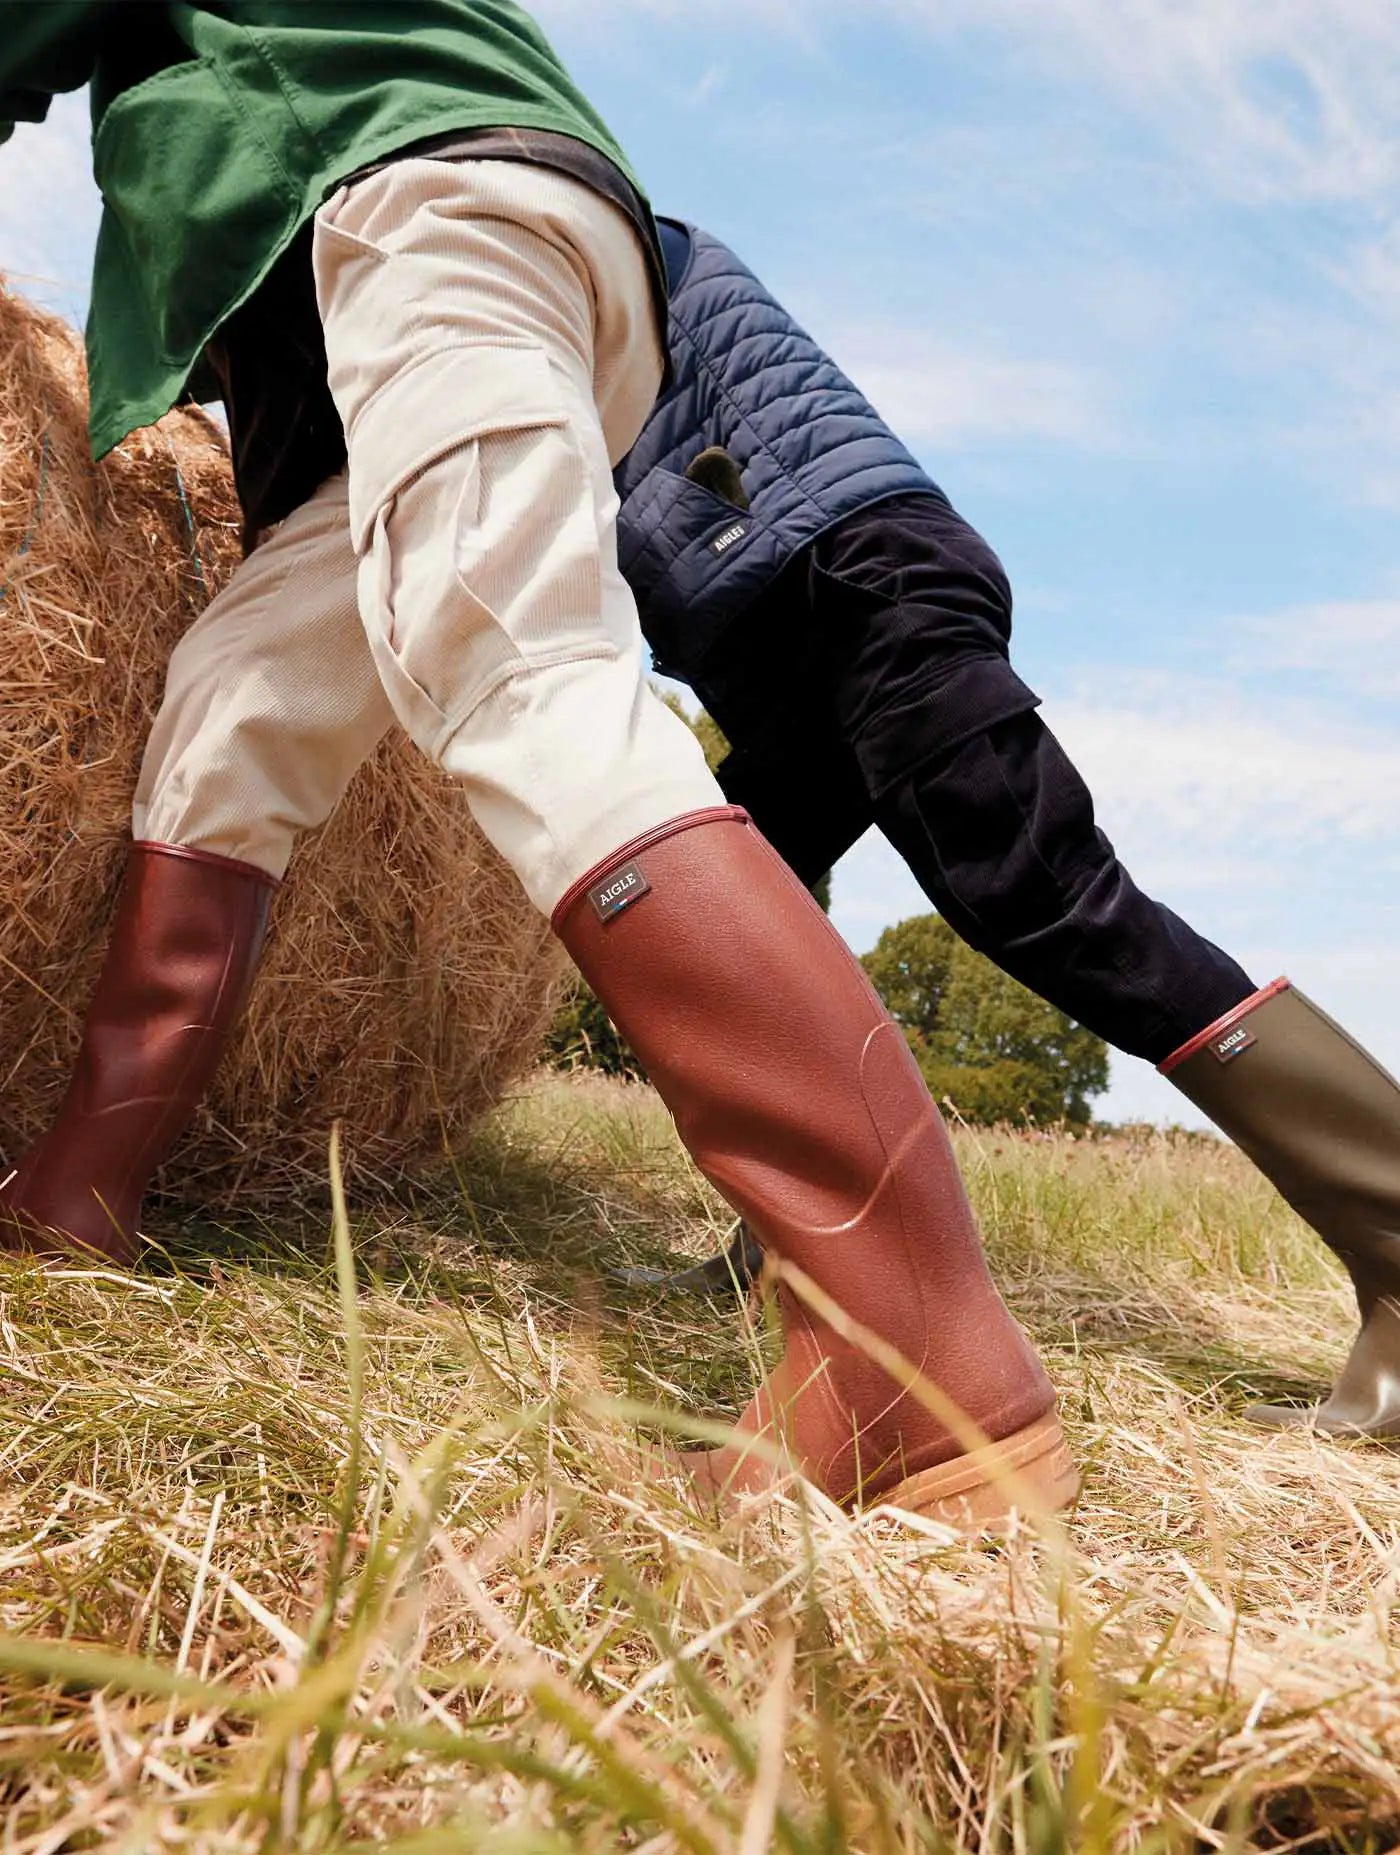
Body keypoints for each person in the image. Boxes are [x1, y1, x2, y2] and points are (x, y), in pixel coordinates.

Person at [0, 4, 1077, 1523]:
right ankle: (77, 1199)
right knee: (226, 728)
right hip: (466, 265)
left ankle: (914, 1355)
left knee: (519, 673)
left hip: (416, 193)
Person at [611, 215, 1400, 1443]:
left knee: (1043, 894)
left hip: (854, 574)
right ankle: (805, 1251)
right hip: (774, 627)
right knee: (730, 921)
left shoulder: (563, 223)